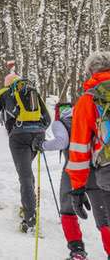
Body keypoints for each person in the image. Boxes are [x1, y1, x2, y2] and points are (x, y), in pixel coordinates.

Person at [32, 103, 108, 260]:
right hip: (94, 170)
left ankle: (77, 251)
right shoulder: (87, 119)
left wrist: (42, 145)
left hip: (72, 171)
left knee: (67, 210)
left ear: (59, 112)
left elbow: (62, 142)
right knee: (103, 215)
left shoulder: (60, 123)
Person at [0, 73, 51, 233]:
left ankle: (30, 220)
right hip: (38, 135)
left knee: (24, 175)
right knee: (27, 172)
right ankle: (28, 207)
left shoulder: (5, 92)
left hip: (19, 136)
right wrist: (37, 131)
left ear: (8, 84)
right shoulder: (33, 91)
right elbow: (47, 119)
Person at [66, 51, 110, 260]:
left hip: (107, 170)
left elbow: (79, 148)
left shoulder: (89, 99)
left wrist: (77, 187)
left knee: (108, 222)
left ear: (91, 72)